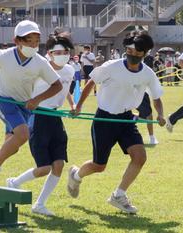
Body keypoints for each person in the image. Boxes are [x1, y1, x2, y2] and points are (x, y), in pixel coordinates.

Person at [67, 31, 165, 214]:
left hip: (127, 119)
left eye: (137, 53)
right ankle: (76, 175)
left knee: (140, 157)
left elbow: (156, 97)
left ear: (145, 53)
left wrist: (160, 114)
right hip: (104, 118)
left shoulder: (148, 74)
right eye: (129, 51)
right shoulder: (111, 66)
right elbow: (91, 83)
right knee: (99, 166)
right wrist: (78, 106)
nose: (132, 55)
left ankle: (118, 195)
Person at [0, 20, 63, 187]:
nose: (33, 45)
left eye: (36, 41)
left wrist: (37, 99)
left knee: (12, 145)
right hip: (4, 100)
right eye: (29, 41)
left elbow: (57, 85)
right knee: (23, 135)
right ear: (17, 41)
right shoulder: (4, 55)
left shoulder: (40, 62)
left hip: (24, 106)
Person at [6, 32, 75, 216]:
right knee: (44, 168)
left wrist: (72, 104)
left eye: (66, 52)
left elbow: (64, 88)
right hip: (37, 117)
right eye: (58, 52)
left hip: (55, 118)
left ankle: (40, 204)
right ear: (50, 53)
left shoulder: (69, 70)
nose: (62, 55)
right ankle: (14, 182)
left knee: (59, 164)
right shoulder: (38, 67)